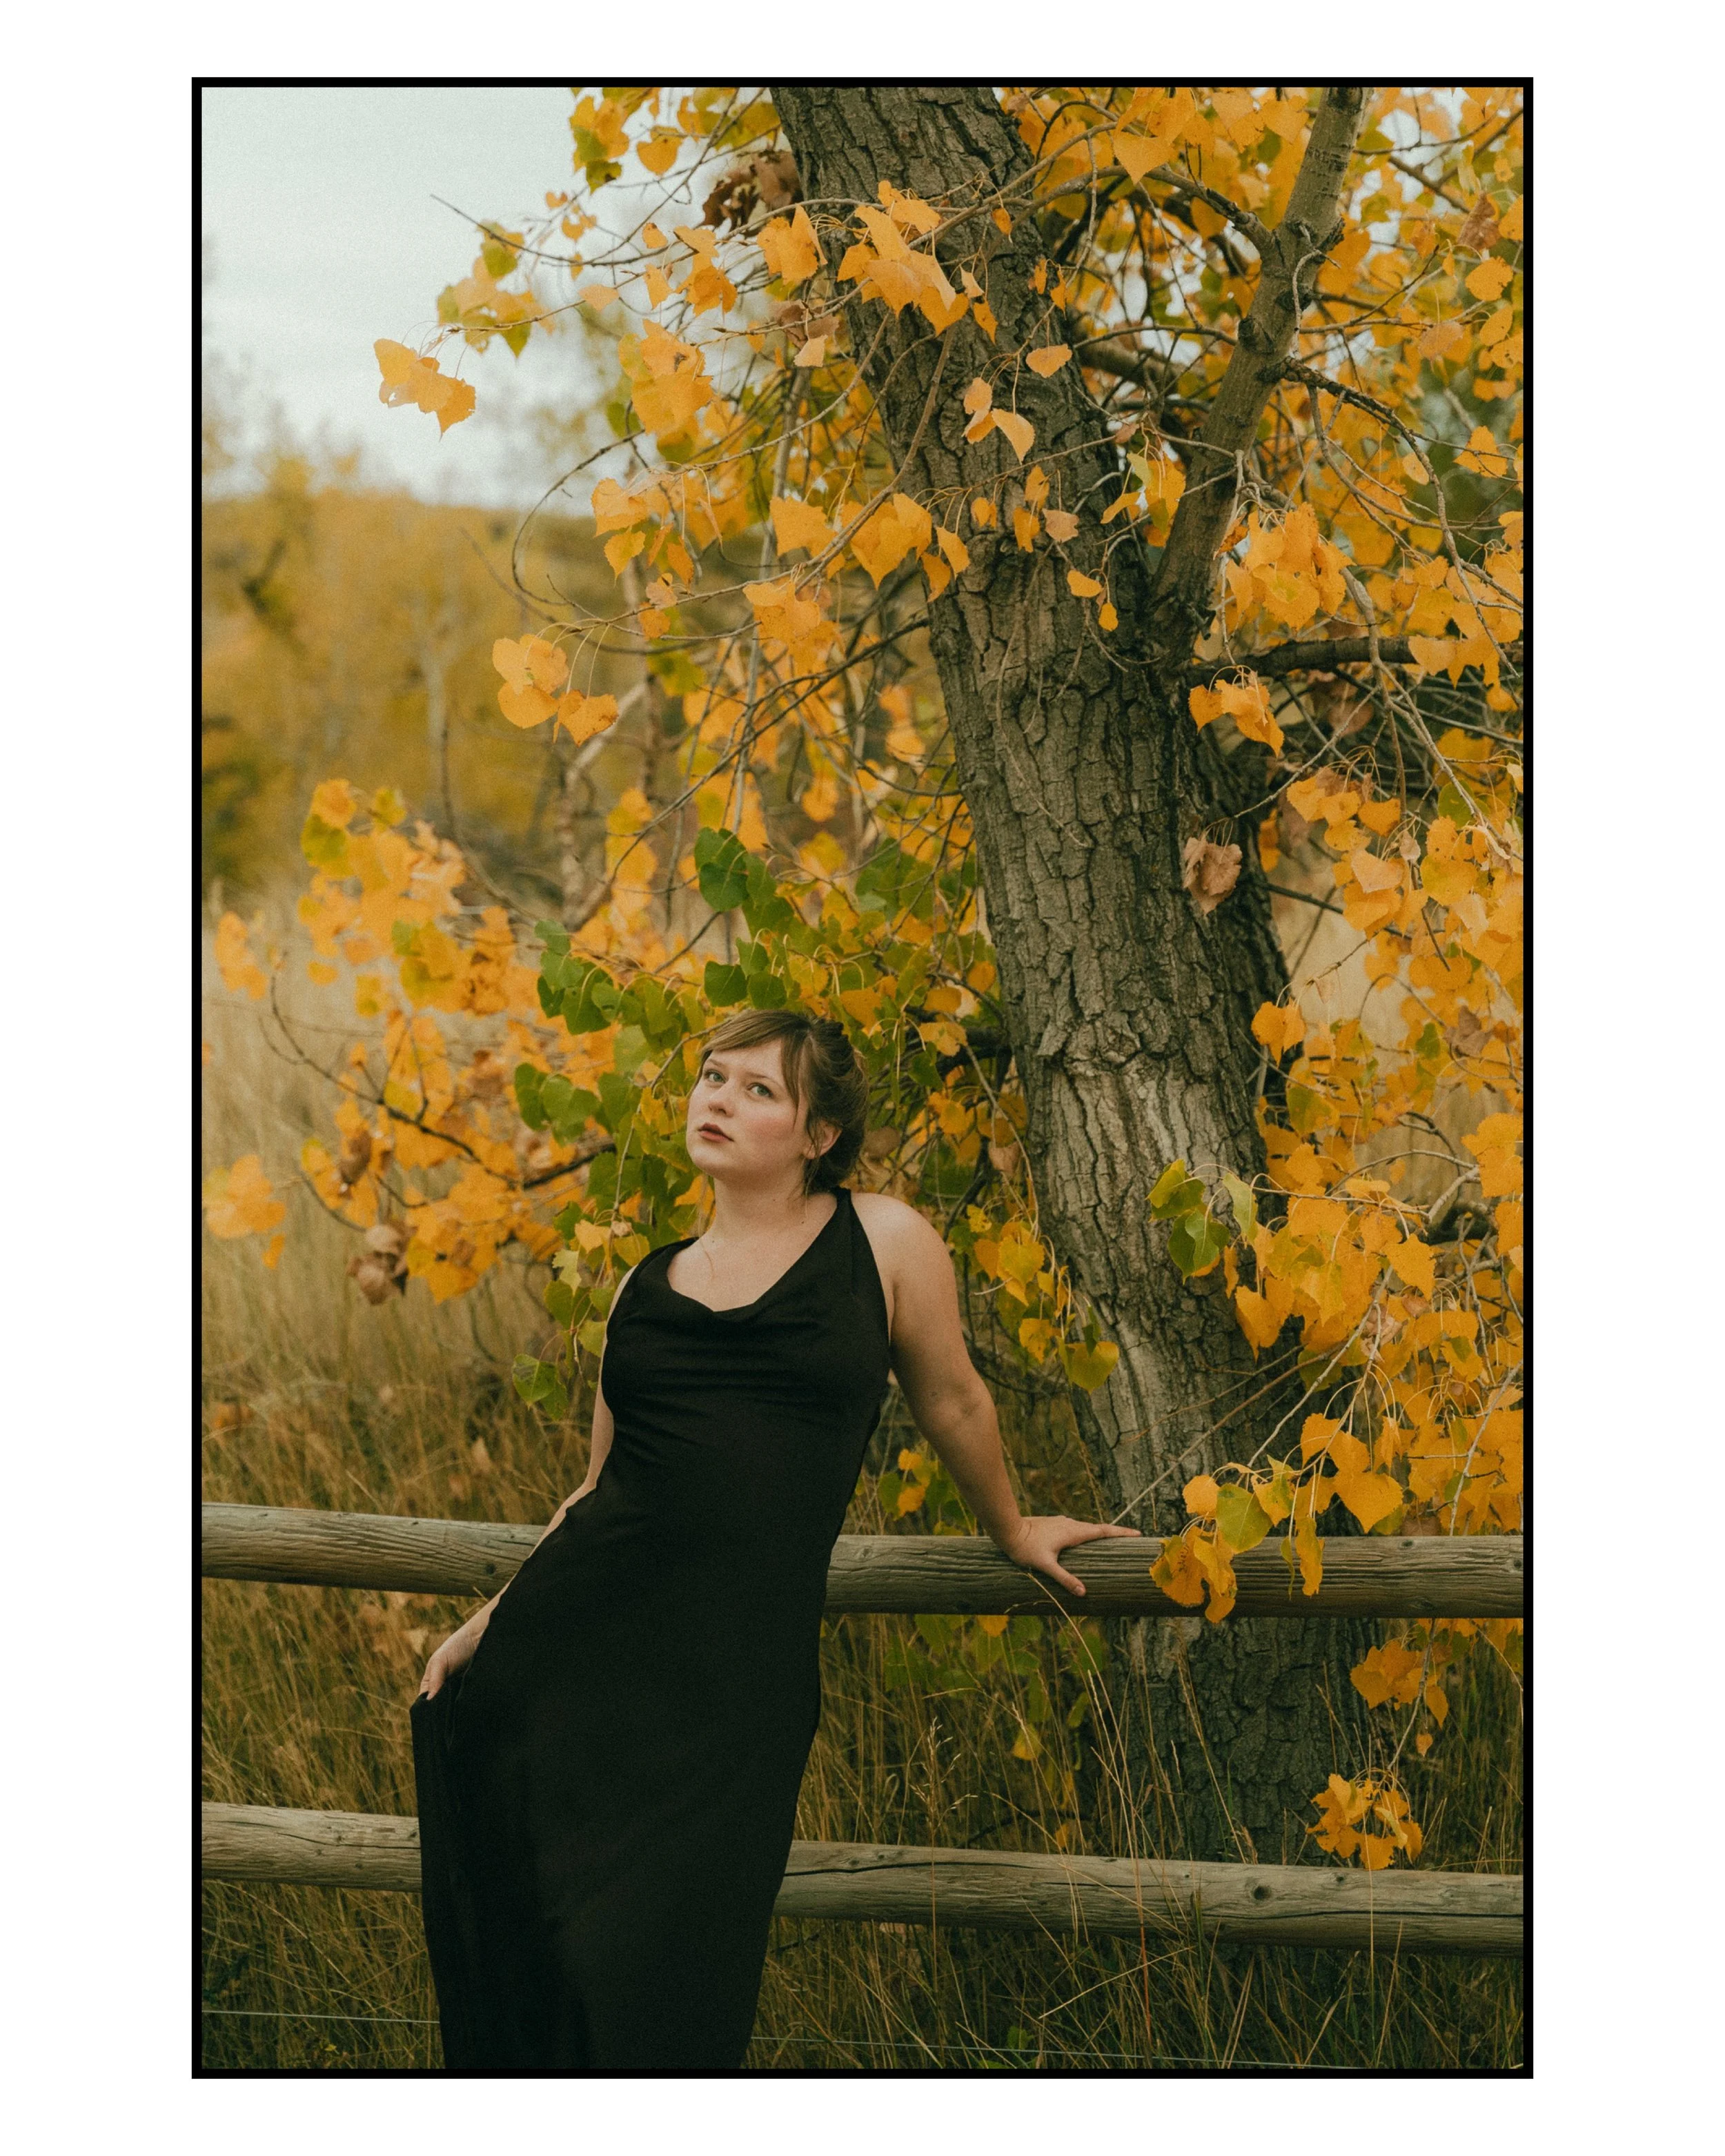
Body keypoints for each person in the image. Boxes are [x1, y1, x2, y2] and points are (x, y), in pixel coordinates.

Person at [409, 1007, 1140, 2071]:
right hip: (573, 1668)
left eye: (759, 1089)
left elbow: (954, 1400)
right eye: (713, 1076)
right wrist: (489, 1623)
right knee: (553, 1959)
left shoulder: (882, 1241)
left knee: (673, 1972)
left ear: (819, 1135)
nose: (718, 1098)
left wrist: (1012, 1526)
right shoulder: (641, 1287)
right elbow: (597, 1494)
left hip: (735, 1692)